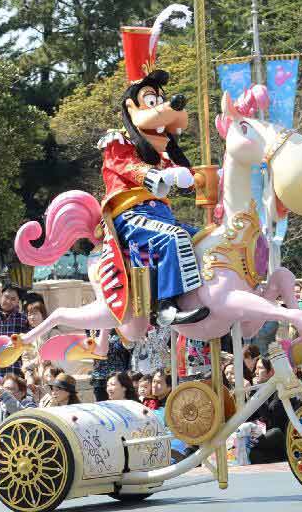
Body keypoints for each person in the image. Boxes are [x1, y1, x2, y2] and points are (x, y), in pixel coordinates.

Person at [101, 24, 208, 327]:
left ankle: (201, 297)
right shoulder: (117, 142)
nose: (161, 109)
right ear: (131, 107)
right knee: (174, 238)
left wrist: (191, 176)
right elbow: (128, 169)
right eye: (151, 101)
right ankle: (164, 305)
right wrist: (166, 178)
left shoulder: (161, 153)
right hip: (131, 217)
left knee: (202, 238)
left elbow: (177, 174)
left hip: (162, 215)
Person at [248, 358, 291, 464]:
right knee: (254, 454)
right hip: (264, 438)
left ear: (271, 372)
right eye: (256, 368)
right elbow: (249, 417)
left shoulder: (282, 389)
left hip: (282, 437)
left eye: (260, 368)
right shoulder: (257, 390)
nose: (256, 372)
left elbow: (271, 417)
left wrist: (257, 394)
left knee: (275, 432)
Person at [90, 332, 132, 402]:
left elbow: (129, 349)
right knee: (102, 407)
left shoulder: (121, 331)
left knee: (120, 405)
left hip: (118, 378)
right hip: (100, 378)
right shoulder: (94, 332)